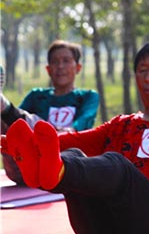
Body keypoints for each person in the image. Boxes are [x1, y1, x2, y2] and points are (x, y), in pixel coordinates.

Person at [1, 41, 149, 234]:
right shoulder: (121, 125)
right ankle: (45, 171)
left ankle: (55, 174)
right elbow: (68, 140)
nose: (148, 78)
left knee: (117, 164)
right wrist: (23, 146)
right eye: (142, 70)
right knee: (72, 154)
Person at [2, 40, 100, 184]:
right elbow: (17, 127)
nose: (60, 66)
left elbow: (82, 123)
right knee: (8, 125)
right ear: (48, 69)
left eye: (66, 61)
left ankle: (3, 104)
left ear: (78, 67)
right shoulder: (36, 95)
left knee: (43, 130)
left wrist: (56, 133)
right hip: (30, 165)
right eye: (55, 62)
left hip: (69, 163)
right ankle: (3, 107)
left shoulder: (87, 97)